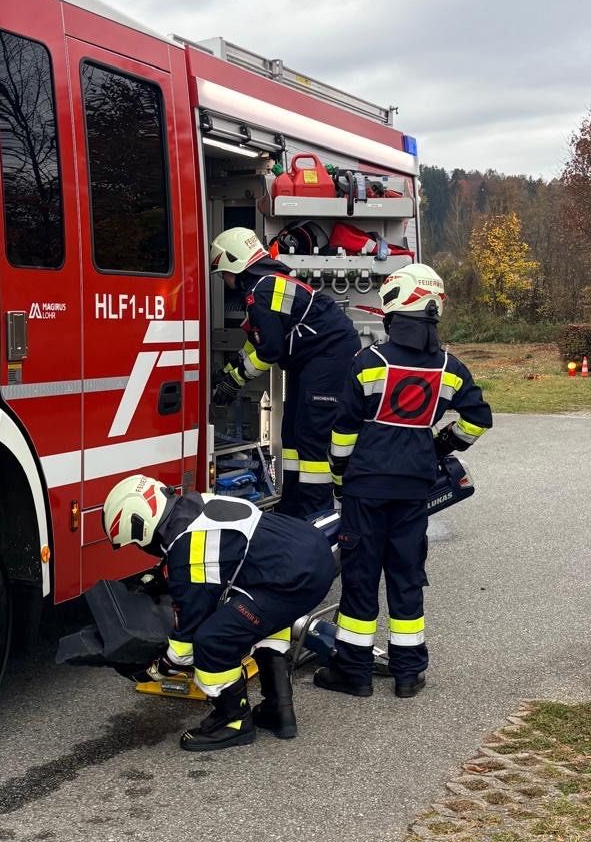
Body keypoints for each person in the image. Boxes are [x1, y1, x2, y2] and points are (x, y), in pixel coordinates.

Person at [314, 262, 492, 699]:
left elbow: (342, 433)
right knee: (406, 576)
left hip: (365, 489)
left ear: (394, 307)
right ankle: (409, 672)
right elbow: (478, 420)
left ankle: (353, 673)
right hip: (414, 489)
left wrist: (339, 478)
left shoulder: (368, 362)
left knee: (360, 577)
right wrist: (441, 444)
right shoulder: (451, 368)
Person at [102, 474, 336, 751]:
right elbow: (220, 554)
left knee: (213, 639)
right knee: (256, 619)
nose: (142, 550)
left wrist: (154, 670)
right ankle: (279, 710)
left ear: (140, 527)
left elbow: (186, 641)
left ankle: (234, 722)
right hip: (304, 557)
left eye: (135, 544)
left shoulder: (188, 548)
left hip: (293, 579)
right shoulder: (193, 504)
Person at [210, 228, 359, 518]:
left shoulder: (261, 291)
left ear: (236, 263)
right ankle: (291, 508)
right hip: (312, 359)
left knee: (311, 437)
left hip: (328, 355)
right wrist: (227, 372)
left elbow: (270, 352)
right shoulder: (265, 286)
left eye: (224, 273)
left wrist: (234, 381)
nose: (225, 281)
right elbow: (256, 344)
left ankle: (317, 514)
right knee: (290, 434)